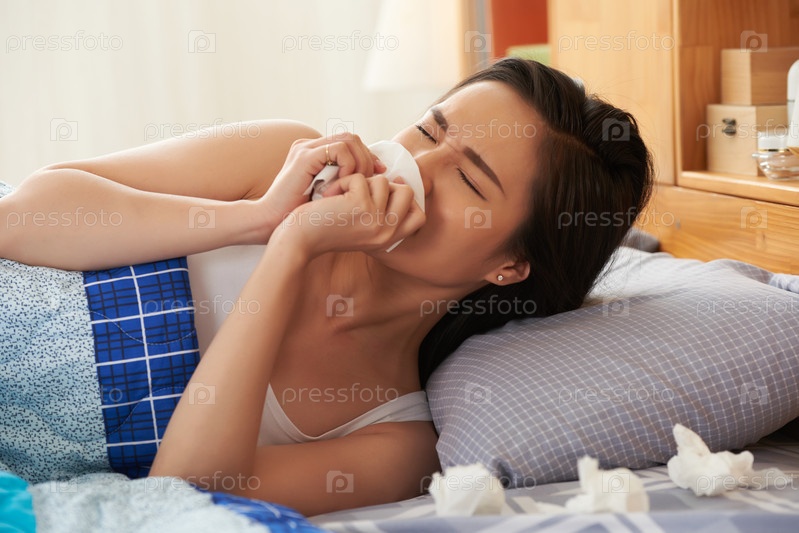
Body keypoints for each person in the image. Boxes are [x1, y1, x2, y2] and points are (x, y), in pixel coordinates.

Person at [0, 58, 653, 516]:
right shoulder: (282, 159)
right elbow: (22, 217)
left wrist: (292, 248)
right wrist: (257, 219)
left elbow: (183, 495)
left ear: (509, 265)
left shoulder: (395, 441)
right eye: (430, 130)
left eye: (468, 179)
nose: (417, 165)